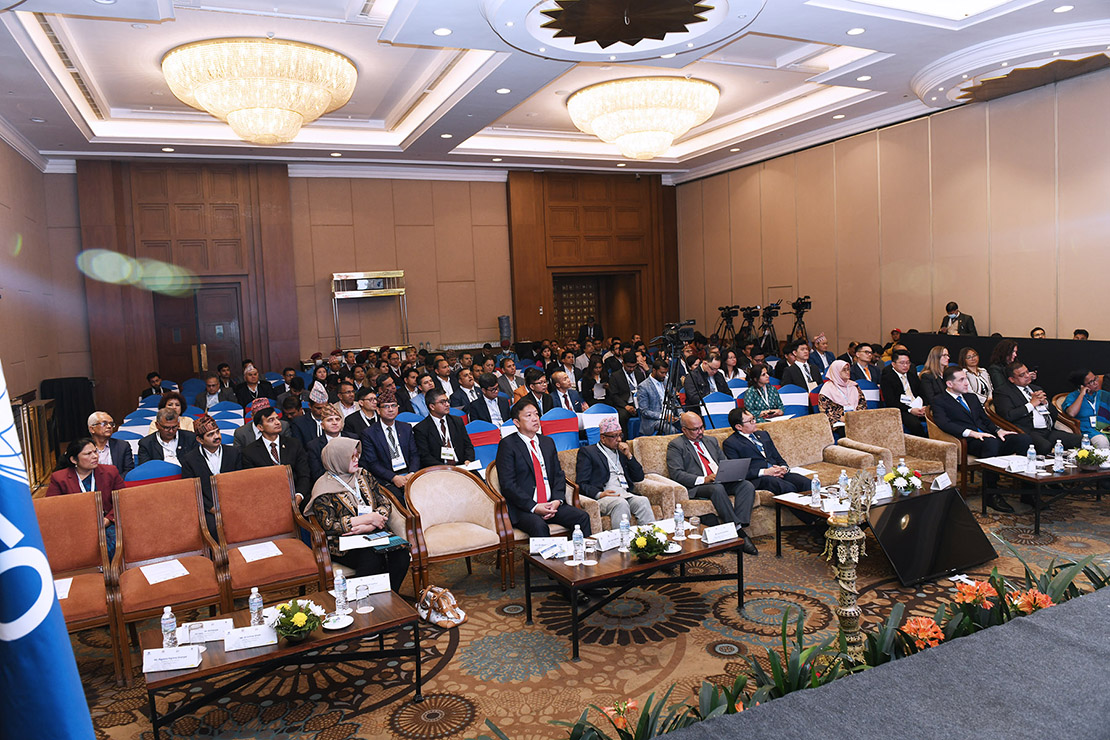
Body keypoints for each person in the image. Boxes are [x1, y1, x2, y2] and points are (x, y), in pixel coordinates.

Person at [306, 437, 411, 592]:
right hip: (343, 542)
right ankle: (364, 602)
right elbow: (329, 524)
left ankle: (390, 597)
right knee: (372, 559)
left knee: (401, 554)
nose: (356, 460)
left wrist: (370, 525)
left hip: (375, 532)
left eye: (357, 455)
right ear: (338, 459)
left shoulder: (363, 475)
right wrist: (368, 519)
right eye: (351, 457)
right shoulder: (323, 487)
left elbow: (384, 502)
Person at [931, 366, 1031, 512]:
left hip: (988, 436)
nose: (966, 383)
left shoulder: (971, 397)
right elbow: (944, 424)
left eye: (966, 378)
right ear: (949, 384)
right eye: (961, 380)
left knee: (1023, 439)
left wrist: (998, 430)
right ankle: (991, 494)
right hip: (967, 441)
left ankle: (1027, 491)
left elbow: (985, 419)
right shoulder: (940, 400)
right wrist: (972, 433)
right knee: (991, 444)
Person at [494, 401, 591, 537]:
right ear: (516, 422)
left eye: (536, 414)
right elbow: (508, 485)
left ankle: (583, 551)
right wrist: (534, 507)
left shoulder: (547, 442)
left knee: (582, 517)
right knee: (539, 526)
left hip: (551, 504)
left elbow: (558, 475)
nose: (535, 419)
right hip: (525, 508)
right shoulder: (508, 445)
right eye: (528, 415)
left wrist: (557, 500)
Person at [665, 412, 758, 554]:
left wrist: (729, 472)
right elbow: (676, 473)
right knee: (717, 488)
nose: (700, 432)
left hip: (719, 479)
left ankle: (738, 527)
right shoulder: (676, 445)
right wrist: (704, 479)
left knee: (746, 485)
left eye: (702, 427)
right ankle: (739, 531)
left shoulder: (711, 441)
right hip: (699, 485)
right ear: (684, 430)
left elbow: (724, 462)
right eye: (695, 429)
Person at [46, 437, 125, 558]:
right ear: (74, 460)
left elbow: (123, 500)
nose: (95, 456)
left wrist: (108, 520)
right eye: (88, 454)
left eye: (95, 451)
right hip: (75, 527)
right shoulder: (59, 478)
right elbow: (51, 509)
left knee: (110, 544)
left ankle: (111, 569)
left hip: (107, 523)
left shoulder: (110, 472)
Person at [575, 418, 654, 525]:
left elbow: (639, 477)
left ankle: (650, 534)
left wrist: (629, 455)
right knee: (621, 503)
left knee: (643, 500)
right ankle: (622, 536)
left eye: (620, 435)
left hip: (625, 493)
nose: (619, 440)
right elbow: (581, 483)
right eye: (614, 436)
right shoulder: (588, 452)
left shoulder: (622, 451)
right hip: (605, 497)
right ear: (603, 438)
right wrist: (600, 494)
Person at [993, 362, 1081, 455]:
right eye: (1022, 375)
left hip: (1048, 430)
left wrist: (1046, 403)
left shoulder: (1036, 388)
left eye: (1027, 372)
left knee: (1079, 440)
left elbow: (1055, 414)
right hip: (1029, 431)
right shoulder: (1003, 392)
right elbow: (1008, 415)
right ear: (1012, 379)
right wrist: (1031, 404)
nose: (1027, 376)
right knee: (1045, 447)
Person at [722, 408, 812, 495]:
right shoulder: (731, 443)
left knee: (807, 483)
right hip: (759, 478)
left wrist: (783, 468)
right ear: (739, 426)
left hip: (777, 473)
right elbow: (738, 472)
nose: (755, 422)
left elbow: (777, 457)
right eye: (750, 421)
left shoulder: (763, 434)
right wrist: (765, 472)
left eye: (754, 418)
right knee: (787, 488)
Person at [180, 414, 242, 539]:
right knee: (213, 527)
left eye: (217, 432)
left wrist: (231, 504)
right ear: (200, 440)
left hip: (234, 503)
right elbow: (191, 491)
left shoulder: (234, 452)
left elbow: (241, 482)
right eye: (210, 434)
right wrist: (210, 508)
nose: (217, 437)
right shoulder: (189, 460)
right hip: (207, 507)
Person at [241, 405, 312, 504]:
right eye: (271, 420)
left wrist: (299, 495)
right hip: (266, 501)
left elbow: (304, 474)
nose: (277, 422)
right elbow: (252, 484)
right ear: (260, 427)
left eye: (277, 418)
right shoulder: (250, 452)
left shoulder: (294, 444)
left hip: (296, 496)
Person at [358, 387, 419, 500]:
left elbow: (414, 454)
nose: (391, 409)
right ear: (378, 410)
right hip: (387, 477)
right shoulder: (369, 433)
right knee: (398, 498)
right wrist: (394, 478)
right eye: (386, 406)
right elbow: (372, 463)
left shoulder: (406, 428)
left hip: (408, 473)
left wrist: (412, 473)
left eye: (394, 406)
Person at [413, 388, 475, 468]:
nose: (447, 404)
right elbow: (425, 457)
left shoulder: (457, 421)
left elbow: (468, 446)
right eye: (443, 402)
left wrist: (468, 460)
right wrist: (445, 468)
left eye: (447, 401)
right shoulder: (421, 429)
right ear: (432, 406)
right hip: (439, 469)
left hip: (462, 466)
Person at [880, 349, 927, 435]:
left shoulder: (912, 376)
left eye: (908, 363)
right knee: (915, 424)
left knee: (938, 418)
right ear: (893, 364)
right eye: (902, 363)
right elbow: (891, 401)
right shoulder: (887, 378)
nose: (905, 365)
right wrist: (910, 410)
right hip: (902, 409)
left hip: (918, 406)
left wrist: (924, 407)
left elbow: (922, 393)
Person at [1063, 369, 1110, 449]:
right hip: (1088, 432)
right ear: (1082, 386)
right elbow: (1071, 413)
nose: (1096, 383)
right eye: (1091, 382)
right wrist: (1082, 394)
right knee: (1102, 441)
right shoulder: (1073, 397)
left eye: (1095, 379)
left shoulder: (1104, 395)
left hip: (1106, 429)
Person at [818, 360, 865, 429]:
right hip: (838, 423)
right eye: (844, 370)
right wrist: (842, 418)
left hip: (856, 419)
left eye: (848, 369)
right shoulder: (827, 389)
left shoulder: (854, 385)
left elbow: (862, 404)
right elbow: (825, 411)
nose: (847, 372)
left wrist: (856, 416)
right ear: (836, 372)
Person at [305, 404, 346, 484]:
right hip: (327, 484)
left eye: (337, 419)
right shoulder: (314, 446)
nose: (335, 423)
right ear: (322, 425)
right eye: (329, 420)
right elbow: (316, 474)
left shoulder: (352, 439)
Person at [87, 411, 134, 476]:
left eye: (111, 424)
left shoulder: (122, 446)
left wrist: (115, 481)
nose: (109, 426)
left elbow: (129, 471)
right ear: (92, 429)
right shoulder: (83, 448)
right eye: (104, 423)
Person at [608, 351, 644, 433]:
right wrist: (625, 406)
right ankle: (624, 437)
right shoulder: (615, 376)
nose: (631, 369)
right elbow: (613, 395)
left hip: (639, 403)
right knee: (623, 415)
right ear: (623, 363)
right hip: (624, 404)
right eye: (629, 367)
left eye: (634, 366)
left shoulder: (639, 374)